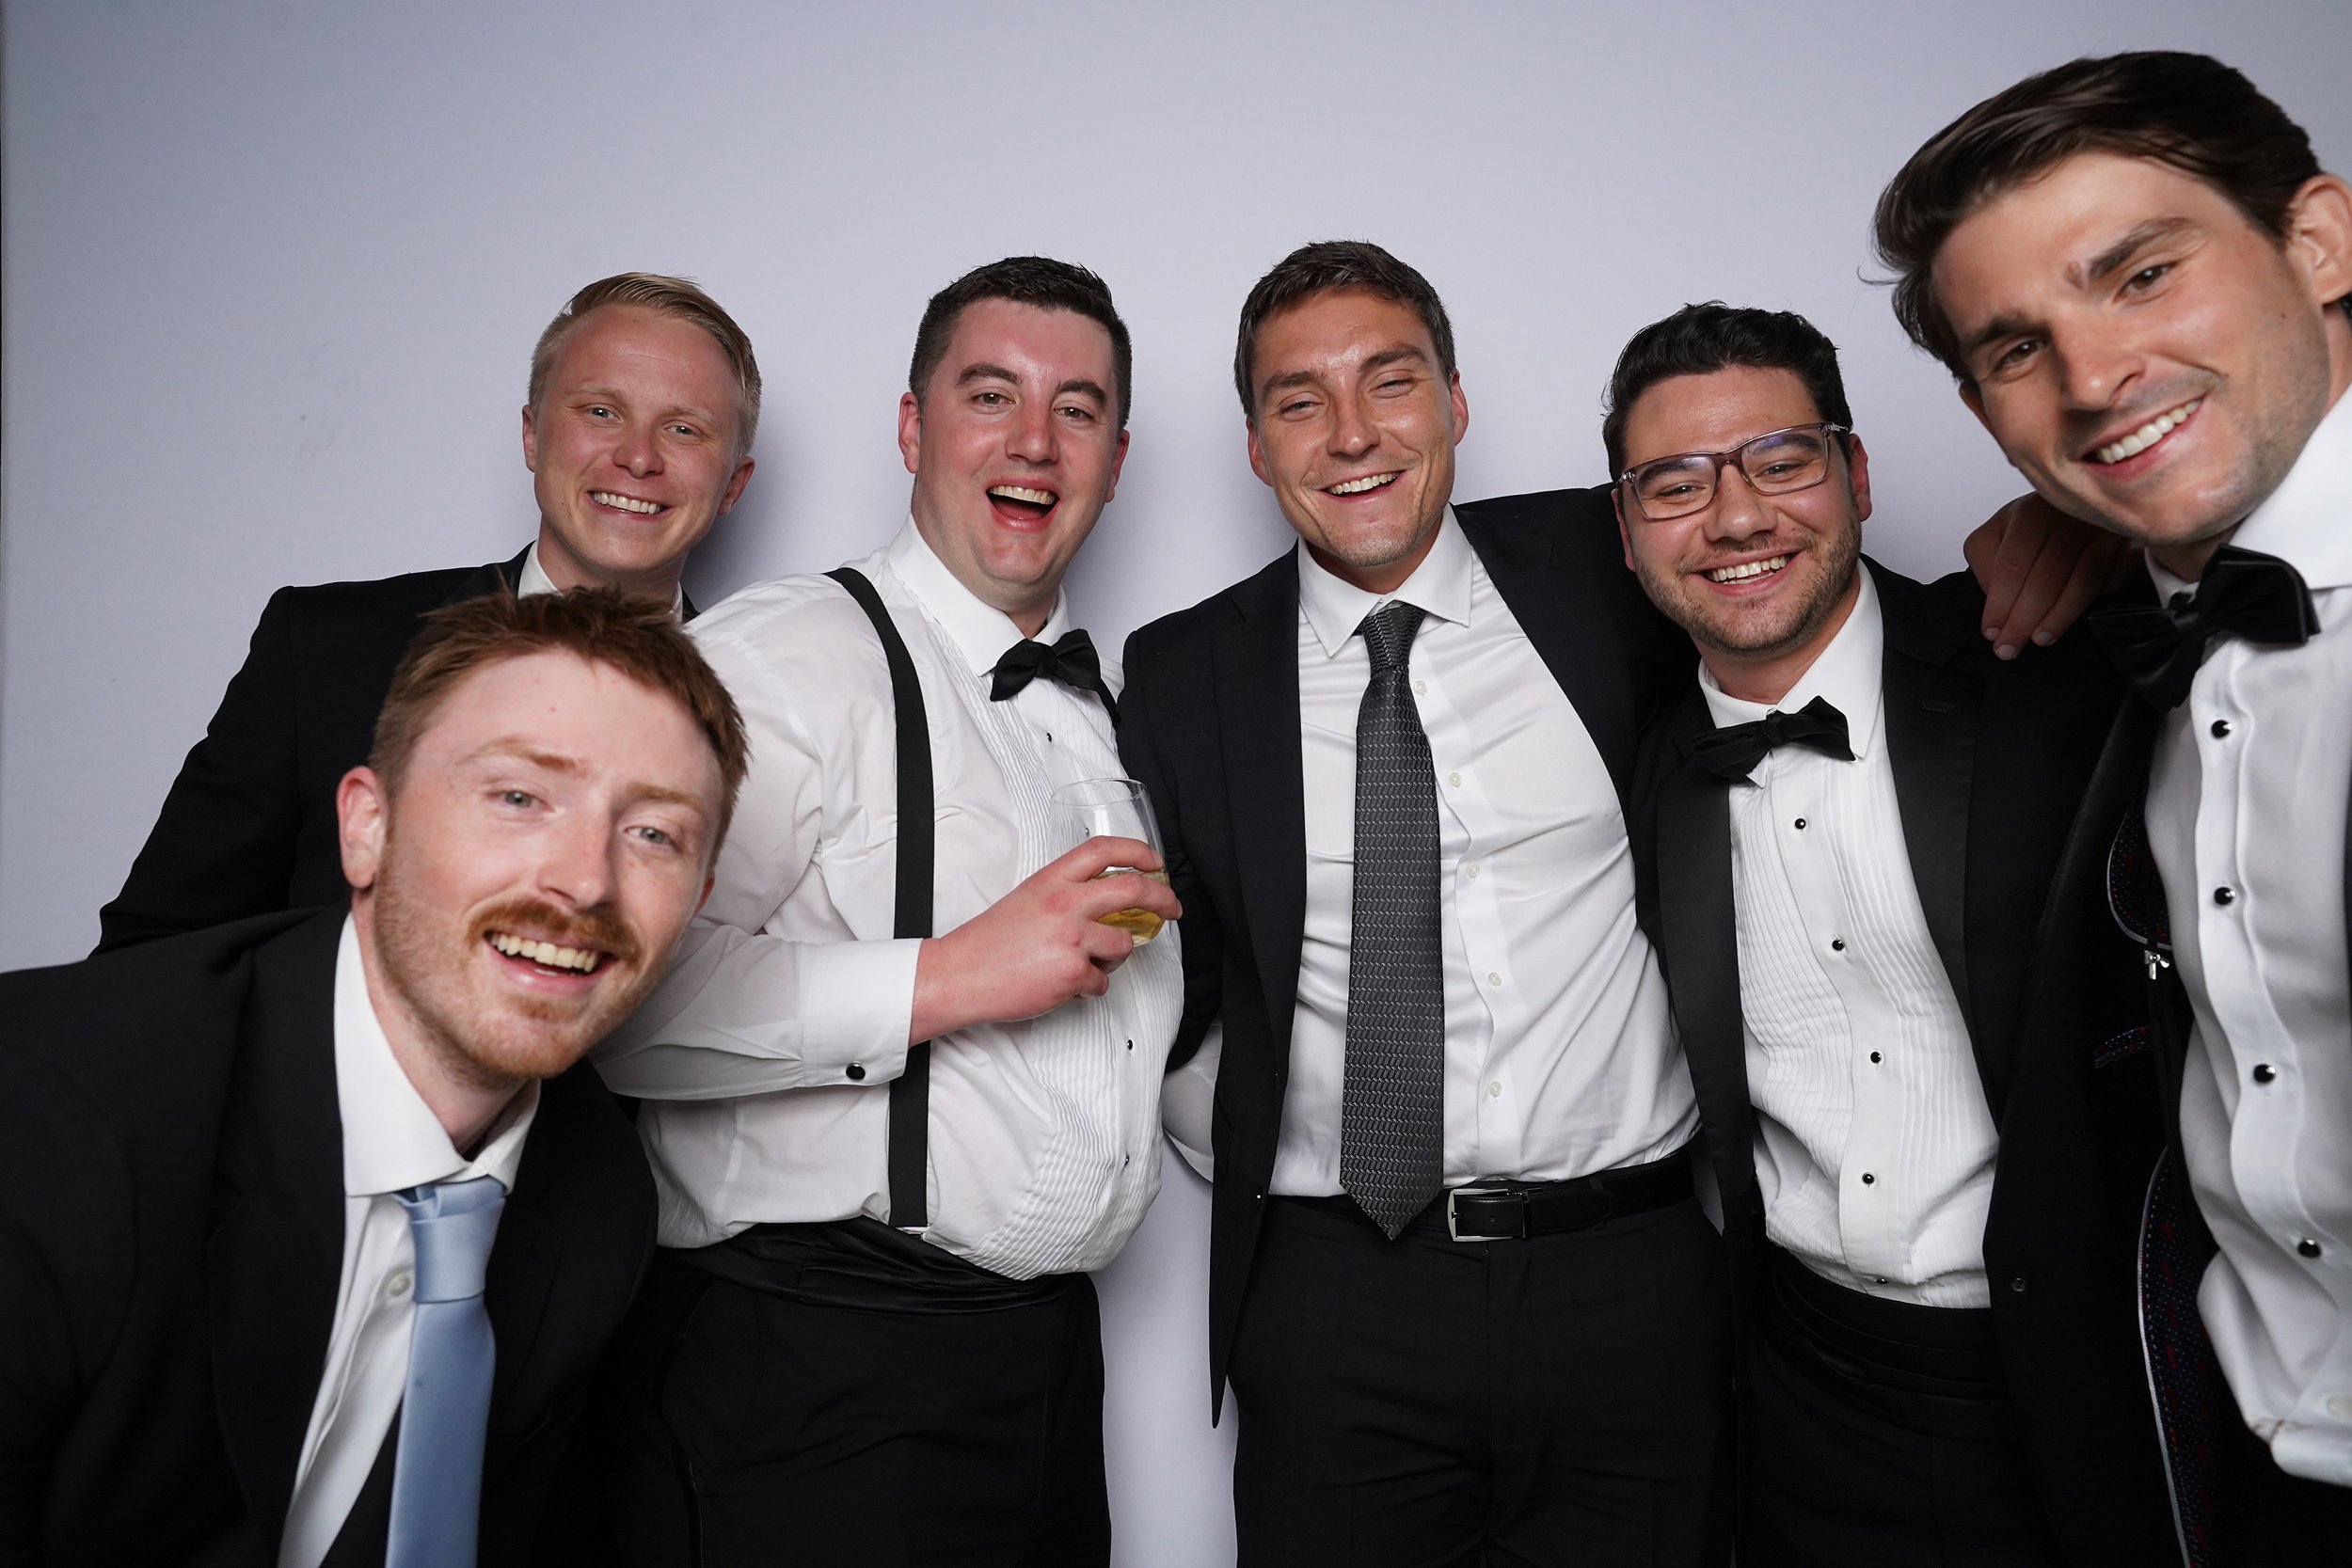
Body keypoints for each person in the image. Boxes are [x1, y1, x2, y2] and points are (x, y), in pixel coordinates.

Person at [587, 256, 1182, 1567]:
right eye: (991, 394)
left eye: (1078, 408)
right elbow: (621, 1004)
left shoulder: (1101, 716)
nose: (1034, 440)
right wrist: (955, 972)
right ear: (913, 427)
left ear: (1116, 459)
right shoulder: (787, 654)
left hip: (1042, 1371)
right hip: (822, 1369)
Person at [0, 586, 748, 1566]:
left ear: (696, 900)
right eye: (519, 797)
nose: (585, 880)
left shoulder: (600, 1199)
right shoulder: (47, 1121)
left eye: (654, 833)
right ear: (367, 827)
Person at [1875, 51, 2352, 1562]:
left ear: (2321, 241)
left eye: (2144, 274)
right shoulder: (2114, 640)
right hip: (2232, 1462)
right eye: (2020, 348)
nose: (2092, 379)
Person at [1610, 302, 2169, 1564]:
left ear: (1857, 474)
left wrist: (2106, 521)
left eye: (1781, 460)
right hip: (1802, 1396)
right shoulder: (1636, 772)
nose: (1736, 516)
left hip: (2089, 1375)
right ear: (1626, 532)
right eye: (1676, 484)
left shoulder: (2048, 656)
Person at [95, 272, 760, 952]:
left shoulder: (772, 704)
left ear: (733, 484)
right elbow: (152, 953)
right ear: (532, 436)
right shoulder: (325, 651)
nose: (638, 457)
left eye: (684, 429)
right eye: (600, 412)